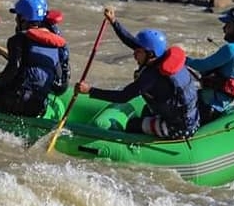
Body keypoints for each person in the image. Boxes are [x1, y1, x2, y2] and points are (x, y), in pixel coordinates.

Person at [76, 7, 200, 139]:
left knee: (132, 125)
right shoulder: (163, 56)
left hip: (179, 127)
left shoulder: (151, 77)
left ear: (150, 54)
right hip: (190, 117)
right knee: (146, 110)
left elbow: (122, 97)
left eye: (138, 52)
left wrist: (90, 90)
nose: (134, 54)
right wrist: (114, 22)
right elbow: (132, 43)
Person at [0, 0, 70, 117]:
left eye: (17, 16)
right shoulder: (55, 43)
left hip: (18, 100)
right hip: (38, 105)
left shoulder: (18, 39)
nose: (16, 20)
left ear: (22, 18)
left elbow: (13, 68)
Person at [186, 2, 234, 123]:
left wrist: (184, 59)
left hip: (206, 107)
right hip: (223, 107)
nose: (224, 29)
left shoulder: (231, 49)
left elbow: (201, 66)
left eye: (228, 25)